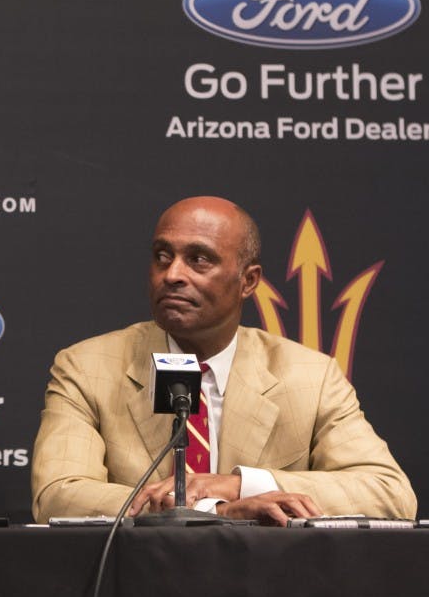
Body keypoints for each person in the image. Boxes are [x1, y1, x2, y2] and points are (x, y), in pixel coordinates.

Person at [31, 196, 416, 526]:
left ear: (248, 281)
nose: (172, 275)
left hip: (268, 593)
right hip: (137, 590)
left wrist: (237, 484)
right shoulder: (88, 367)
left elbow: (389, 493)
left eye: (199, 259)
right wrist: (214, 509)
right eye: (162, 257)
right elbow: (58, 495)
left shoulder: (310, 377)